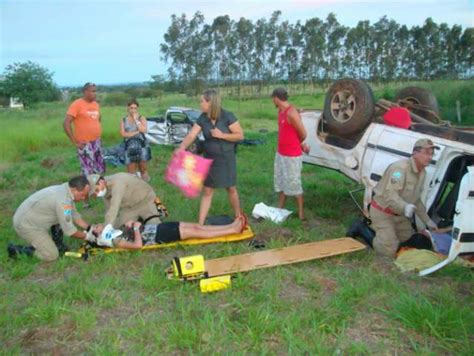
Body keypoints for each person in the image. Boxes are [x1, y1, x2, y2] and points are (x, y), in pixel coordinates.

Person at [177, 89, 244, 225]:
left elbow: (240, 136)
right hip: (210, 159)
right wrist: (181, 148)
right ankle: (200, 223)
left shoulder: (227, 116)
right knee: (207, 190)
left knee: (230, 188)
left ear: (210, 102)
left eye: (202, 101)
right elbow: (191, 135)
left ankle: (238, 217)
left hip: (226, 159)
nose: (200, 103)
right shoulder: (203, 118)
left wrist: (222, 135)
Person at [370, 138, 439, 258]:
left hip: (399, 215)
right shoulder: (399, 169)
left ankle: (381, 235)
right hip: (383, 212)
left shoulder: (422, 173)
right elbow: (390, 194)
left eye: (432, 154)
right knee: (389, 249)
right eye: (426, 153)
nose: (429, 157)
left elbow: (416, 200)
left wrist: (427, 221)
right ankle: (362, 230)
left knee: (408, 239)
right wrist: (405, 206)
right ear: (415, 153)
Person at [9, 176, 95, 261]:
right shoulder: (63, 202)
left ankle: (58, 244)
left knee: (62, 217)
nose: (84, 198)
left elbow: (75, 216)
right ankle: (18, 250)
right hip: (27, 225)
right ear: (75, 190)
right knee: (51, 255)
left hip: (30, 216)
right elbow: (70, 231)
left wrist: (91, 229)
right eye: (83, 195)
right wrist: (89, 237)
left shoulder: (65, 191)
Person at [91, 215, 247, 250]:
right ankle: (232, 230)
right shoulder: (114, 241)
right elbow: (138, 245)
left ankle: (232, 226)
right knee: (196, 232)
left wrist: (130, 225)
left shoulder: (113, 233)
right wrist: (137, 229)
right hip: (159, 236)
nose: (99, 225)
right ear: (97, 235)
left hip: (158, 229)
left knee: (196, 227)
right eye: (96, 227)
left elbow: (132, 231)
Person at [271, 88, 309, 221]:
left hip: (292, 155)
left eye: (273, 98)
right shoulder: (280, 111)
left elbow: (303, 133)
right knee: (281, 181)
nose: (272, 101)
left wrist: (301, 144)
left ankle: (301, 214)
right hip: (281, 153)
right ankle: (280, 209)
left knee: (294, 183)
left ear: (276, 98)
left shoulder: (291, 113)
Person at [88, 172, 163, 228]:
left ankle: (151, 215)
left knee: (154, 226)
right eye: (94, 194)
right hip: (129, 208)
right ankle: (139, 221)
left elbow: (114, 206)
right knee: (118, 226)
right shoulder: (104, 189)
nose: (97, 194)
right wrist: (105, 225)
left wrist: (106, 228)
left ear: (101, 182)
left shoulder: (118, 182)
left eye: (97, 190)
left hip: (145, 200)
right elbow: (109, 210)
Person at [63, 82, 105, 176]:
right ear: (85, 92)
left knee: (99, 168)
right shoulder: (77, 104)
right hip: (84, 143)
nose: (95, 94)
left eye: (96, 91)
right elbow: (66, 123)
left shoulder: (95, 105)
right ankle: (89, 189)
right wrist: (75, 142)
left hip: (97, 141)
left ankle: (99, 188)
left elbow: (98, 119)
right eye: (93, 91)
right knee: (88, 170)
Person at [120, 99, 151, 181]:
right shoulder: (124, 120)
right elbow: (123, 134)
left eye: (135, 108)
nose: (133, 110)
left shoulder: (141, 118)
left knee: (143, 168)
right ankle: (133, 188)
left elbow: (144, 130)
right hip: (129, 146)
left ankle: (145, 185)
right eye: (131, 108)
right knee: (131, 171)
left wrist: (136, 120)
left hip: (142, 145)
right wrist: (137, 132)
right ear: (128, 108)